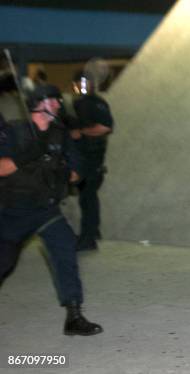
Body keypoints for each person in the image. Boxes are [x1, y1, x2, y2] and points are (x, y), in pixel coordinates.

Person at [0, 83, 103, 336]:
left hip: (46, 210)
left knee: (65, 249)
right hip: (12, 211)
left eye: (58, 100)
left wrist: (67, 172)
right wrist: (26, 155)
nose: (58, 104)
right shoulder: (14, 132)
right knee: (4, 264)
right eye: (52, 100)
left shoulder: (61, 135)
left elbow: (77, 174)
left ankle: (74, 316)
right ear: (37, 103)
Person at [71, 70, 114, 251]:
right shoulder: (81, 103)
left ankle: (88, 238)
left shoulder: (94, 103)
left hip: (92, 159)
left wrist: (81, 133)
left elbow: (105, 127)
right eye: (78, 83)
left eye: (84, 83)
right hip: (84, 158)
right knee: (87, 198)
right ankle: (92, 232)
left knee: (88, 198)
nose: (81, 87)